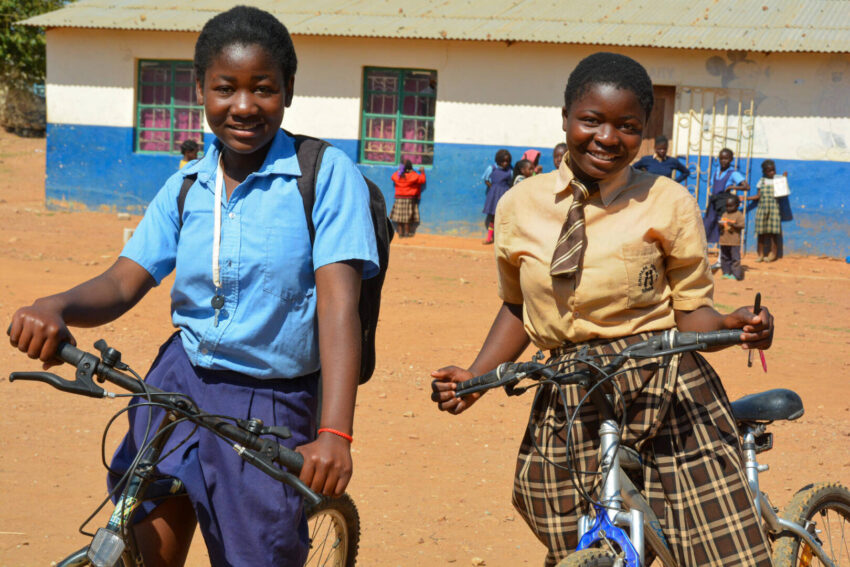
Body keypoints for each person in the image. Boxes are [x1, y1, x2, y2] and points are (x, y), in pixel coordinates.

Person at [8, 6, 378, 566]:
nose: (244, 106)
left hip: (269, 402)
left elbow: (338, 307)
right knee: (137, 540)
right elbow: (124, 280)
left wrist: (335, 432)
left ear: (289, 91)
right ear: (200, 89)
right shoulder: (188, 183)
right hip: (176, 382)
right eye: (225, 88)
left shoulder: (324, 177)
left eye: (264, 88)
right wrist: (55, 305)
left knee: (255, 553)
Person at [431, 52, 774, 567]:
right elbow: (519, 306)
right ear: (566, 117)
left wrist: (729, 324)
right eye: (592, 120)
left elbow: (690, 313)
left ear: (644, 132)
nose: (608, 138)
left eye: (627, 126)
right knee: (576, 535)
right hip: (571, 385)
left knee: (718, 540)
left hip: (665, 380)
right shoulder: (519, 207)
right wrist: (477, 376)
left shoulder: (667, 200)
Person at [703, 147, 748, 246]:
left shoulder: (733, 173)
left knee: (724, 228)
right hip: (714, 203)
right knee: (707, 226)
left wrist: (732, 186)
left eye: (726, 158)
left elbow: (746, 186)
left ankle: (721, 258)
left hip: (724, 204)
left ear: (731, 159)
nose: (723, 161)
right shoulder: (715, 172)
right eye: (721, 158)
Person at [747, 159, 784, 262]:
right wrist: (746, 198)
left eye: (773, 170)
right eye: (769, 171)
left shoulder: (778, 180)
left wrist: (783, 180)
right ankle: (761, 254)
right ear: (764, 172)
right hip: (762, 209)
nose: (772, 173)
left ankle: (773, 254)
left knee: (773, 233)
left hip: (774, 209)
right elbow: (758, 196)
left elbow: (782, 193)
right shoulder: (761, 181)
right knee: (761, 232)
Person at [482, 149, 512, 244]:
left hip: (505, 195)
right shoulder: (492, 168)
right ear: (498, 160)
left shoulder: (510, 170)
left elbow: (511, 181)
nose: (505, 163)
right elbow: (485, 179)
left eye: (507, 161)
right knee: (493, 217)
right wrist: (493, 188)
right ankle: (490, 237)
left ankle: (503, 239)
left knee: (505, 217)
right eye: (502, 161)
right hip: (494, 196)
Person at [390, 159, 426, 237]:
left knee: (399, 217)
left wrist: (400, 171)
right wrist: (422, 172)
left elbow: (393, 176)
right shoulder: (413, 176)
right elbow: (422, 180)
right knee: (407, 217)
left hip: (399, 199)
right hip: (409, 199)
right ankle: (407, 232)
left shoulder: (397, 176)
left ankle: (400, 233)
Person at [718, 193, 745, 280]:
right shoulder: (725, 214)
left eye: (731, 206)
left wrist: (733, 225)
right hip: (724, 240)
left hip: (734, 242)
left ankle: (736, 275)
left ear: (737, 205)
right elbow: (721, 224)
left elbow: (742, 226)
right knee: (725, 258)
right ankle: (726, 273)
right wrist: (720, 225)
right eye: (727, 206)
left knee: (735, 259)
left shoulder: (738, 215)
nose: (728, 208)